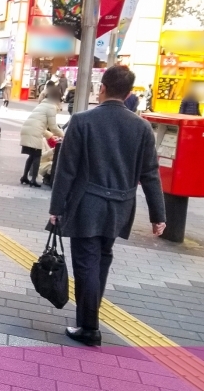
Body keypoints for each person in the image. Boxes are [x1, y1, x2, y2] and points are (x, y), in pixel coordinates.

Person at [49, 65, 166, 347]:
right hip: (120, 207)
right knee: (102, 259)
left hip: (86, 205)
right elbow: (150, 173)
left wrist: (56, 208)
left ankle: (89, 327)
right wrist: (158, 215)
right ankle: (88, 319)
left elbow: (66, 170)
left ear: (102, 88)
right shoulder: (142, 127)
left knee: (87, 264)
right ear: (128, 93)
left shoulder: (82, 121)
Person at [20, 87, 63, 187]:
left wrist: (50, 136)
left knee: (32, 155)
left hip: (28, 129)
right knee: (37, 156)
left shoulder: (42, 104)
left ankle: (25, 177)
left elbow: (41, 125)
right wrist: (63, 135)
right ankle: (33, 180)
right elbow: (53, 127)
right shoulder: (51, 107)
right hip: (34, 131)